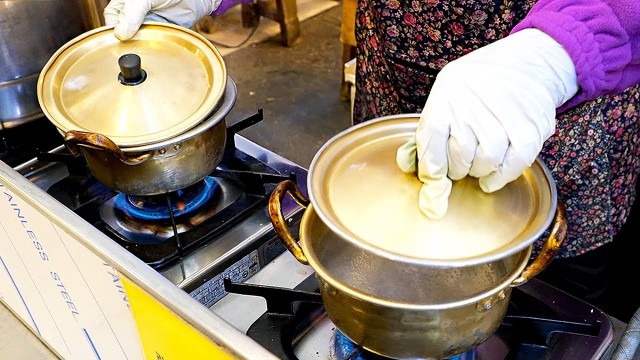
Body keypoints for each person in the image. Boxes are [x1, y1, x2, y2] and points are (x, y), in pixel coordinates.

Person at [104, 0, 640, 321]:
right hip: (393, 93)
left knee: (553, 304)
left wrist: (555, 52)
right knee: (389, 259)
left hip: (558, 119)